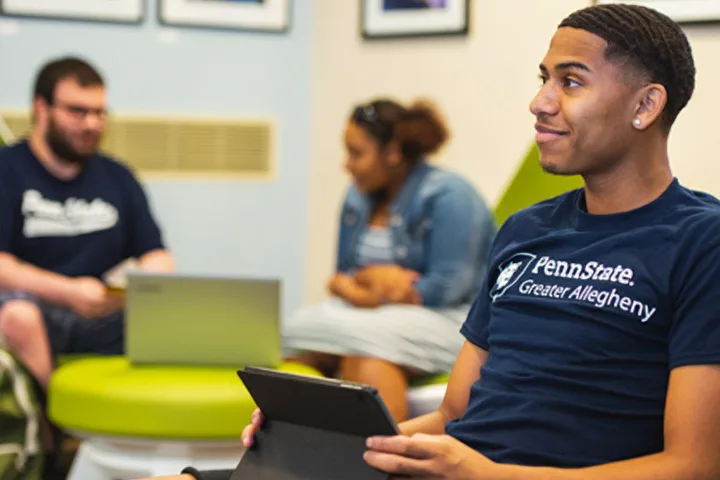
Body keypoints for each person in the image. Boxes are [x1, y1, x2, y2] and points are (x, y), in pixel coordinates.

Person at [157, 3, 720, 480]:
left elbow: (694, 464)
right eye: (543, 78)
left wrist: (492, 476)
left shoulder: (701, 241)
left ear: (646, 106)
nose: (540, 102)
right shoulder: (527, 230)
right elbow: (453, 412)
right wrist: (324, 441)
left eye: (570, 82)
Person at [284, 98, 496, 423]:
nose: (347, 165)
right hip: (370, 318)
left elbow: (446, 289)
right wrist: (371, 289)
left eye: (356, 153)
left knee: (366, 353)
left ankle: (386, 466)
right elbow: (341, 276)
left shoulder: (451, 197)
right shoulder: (357, 197)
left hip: (449, 319)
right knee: (288, 336)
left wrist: (365, 291)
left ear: (393, 152)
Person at [0, 56, 175, 390]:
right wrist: (68, 293)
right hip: (35, 309)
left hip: (103, 311)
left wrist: (149, 288)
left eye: (99, 112)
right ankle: (54, 431)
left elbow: (156, 255)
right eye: (78, 112)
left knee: (173, 316)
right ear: (41, 109)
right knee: (18, 315)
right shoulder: (7, 170)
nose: (92, 123)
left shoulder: (118, 176)